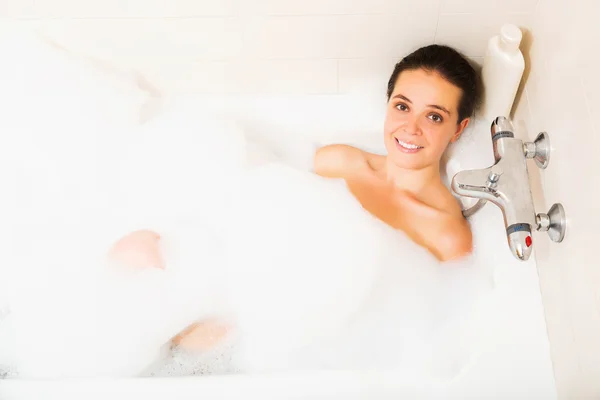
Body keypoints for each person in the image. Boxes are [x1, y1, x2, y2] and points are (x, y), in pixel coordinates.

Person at [107, 44, 482, 353]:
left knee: (171, 329)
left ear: (458, 129)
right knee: (134, 250)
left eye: (434, 117)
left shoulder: (446, 235)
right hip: (252, 284)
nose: (410, 128)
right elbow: (257, 200)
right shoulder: (342, 161)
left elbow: (428, 329)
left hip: (305, 334)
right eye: (402, 106)